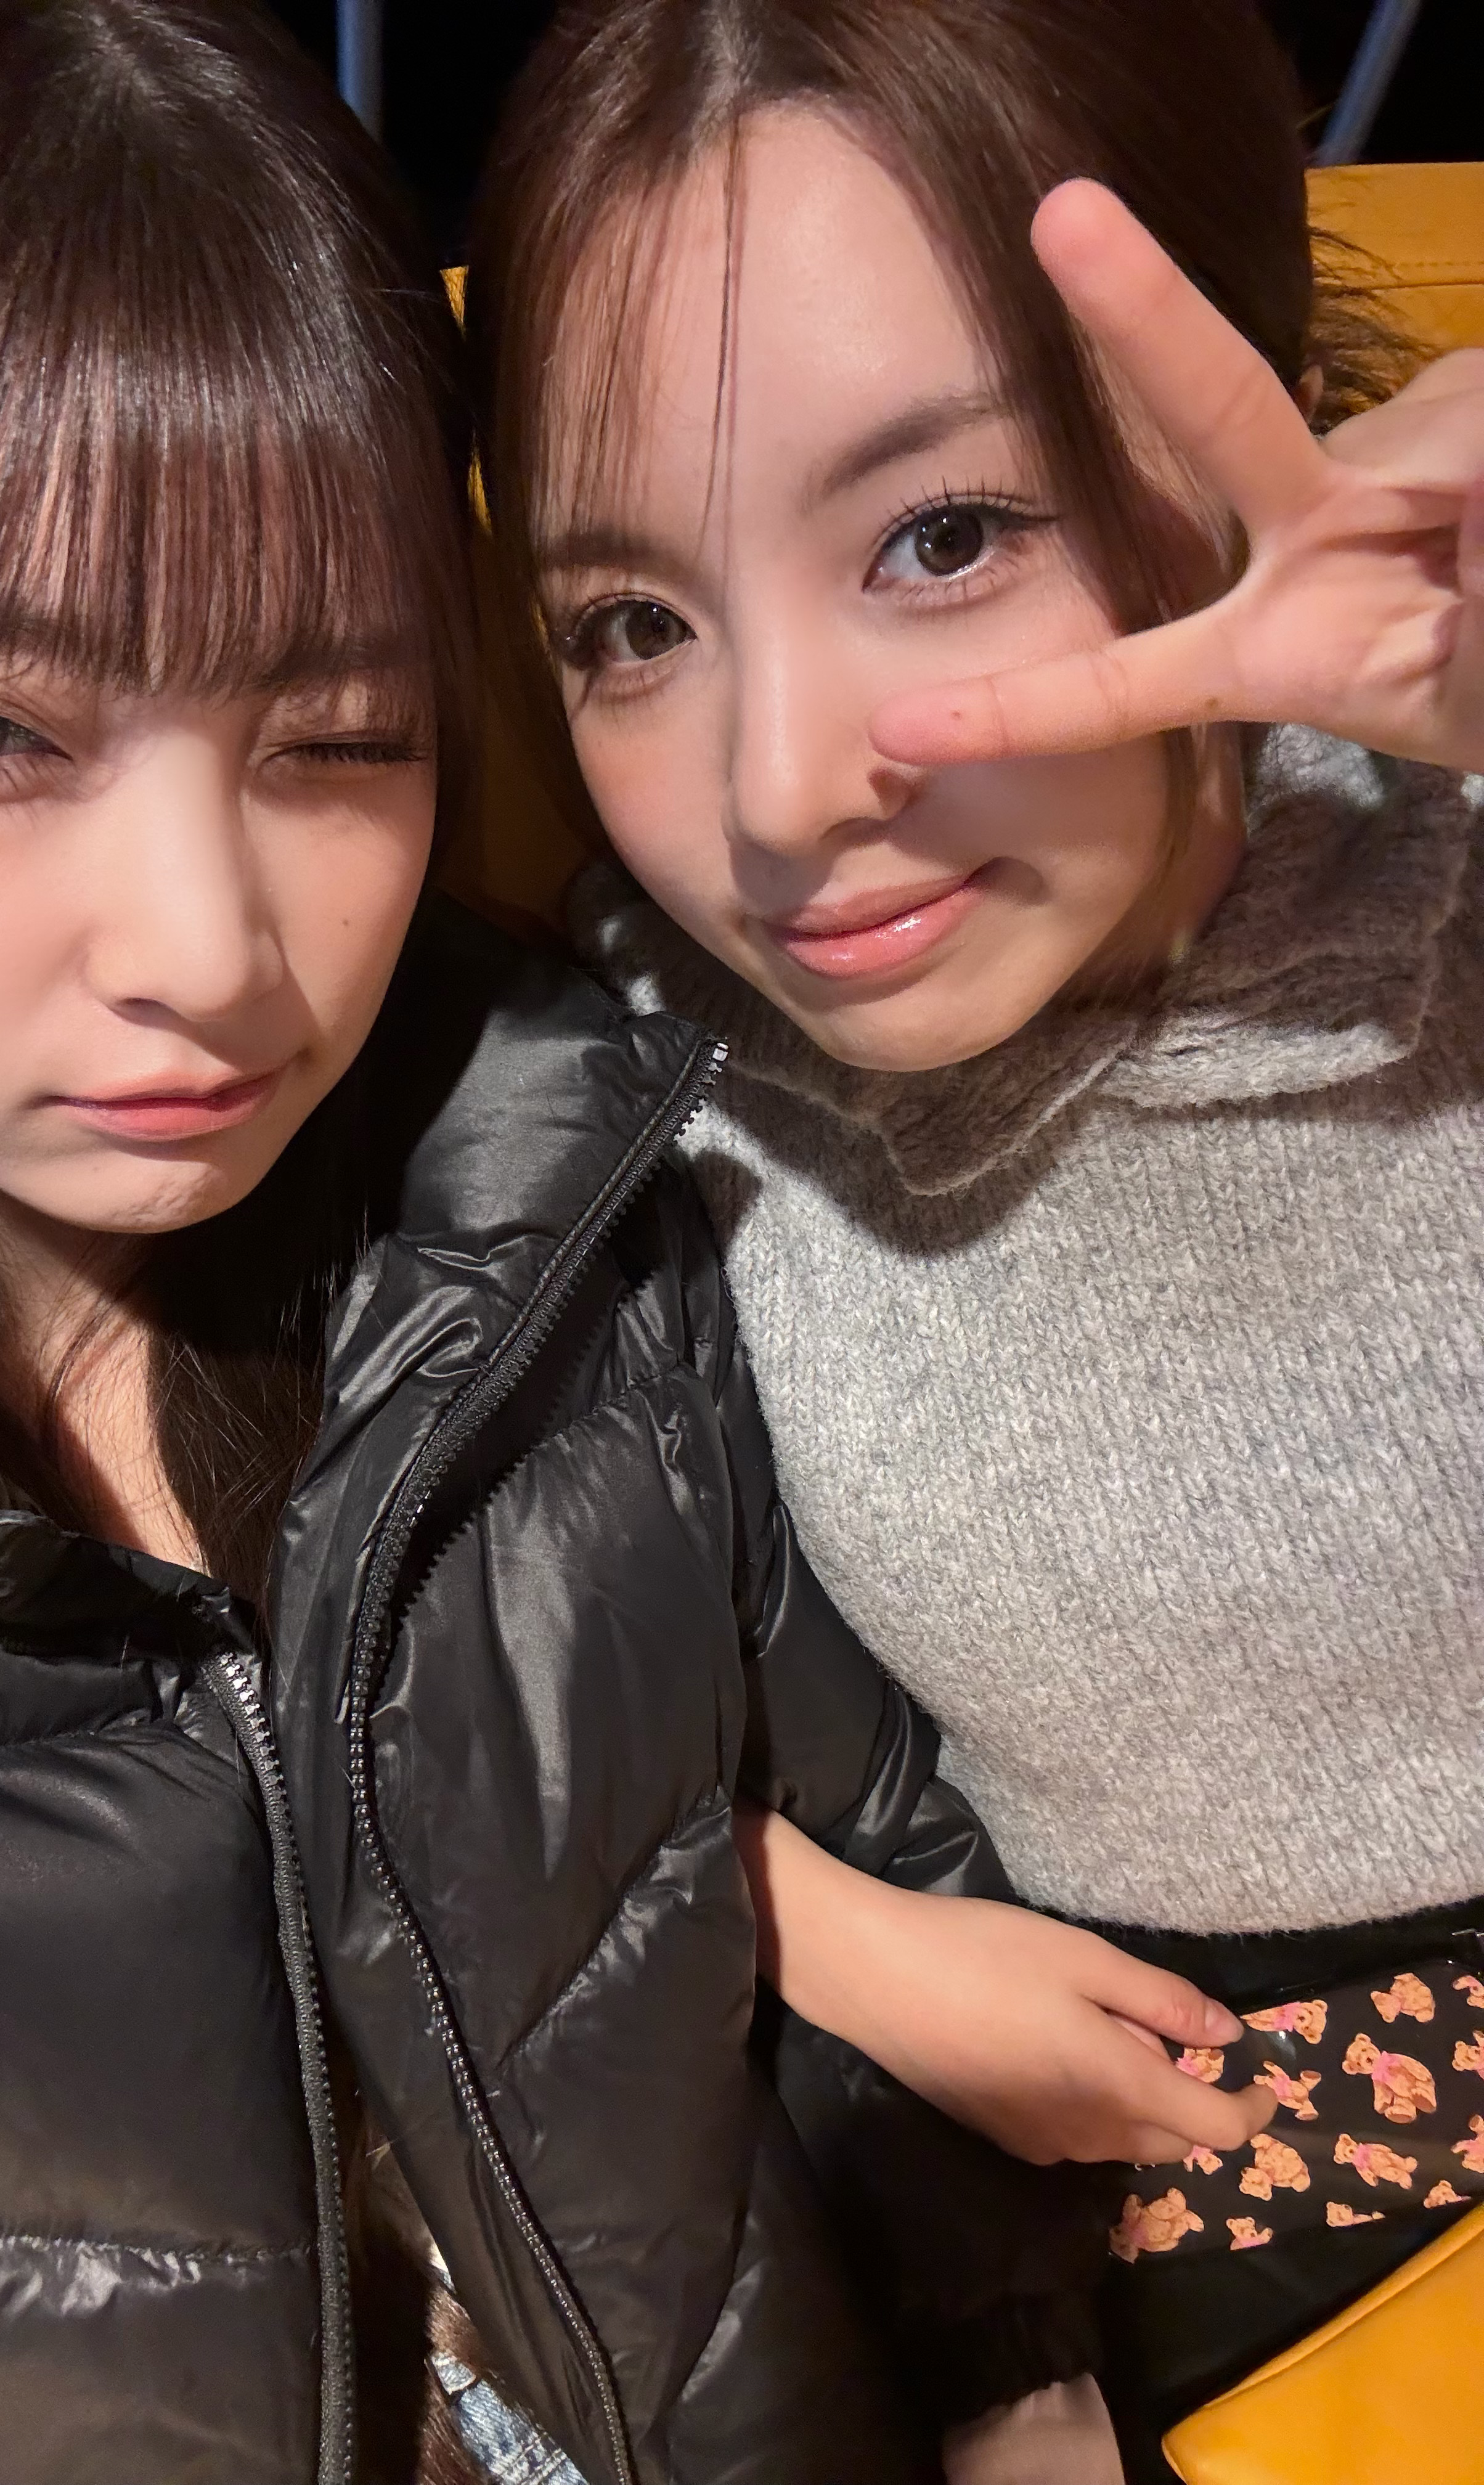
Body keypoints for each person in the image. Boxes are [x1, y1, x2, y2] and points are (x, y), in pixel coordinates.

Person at [0, 3, 1223, 2481]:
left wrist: (1015, 2373)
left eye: (339, 735)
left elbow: (864, 1864)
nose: (210, 948)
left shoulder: (550, 1183)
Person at [463, 0, 1484, 2473]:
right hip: (1105, 2207)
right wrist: (811, 1925)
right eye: (632, 625)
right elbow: (410, 1686)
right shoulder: (627, 1076)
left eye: (942, 538)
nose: (774, 794)